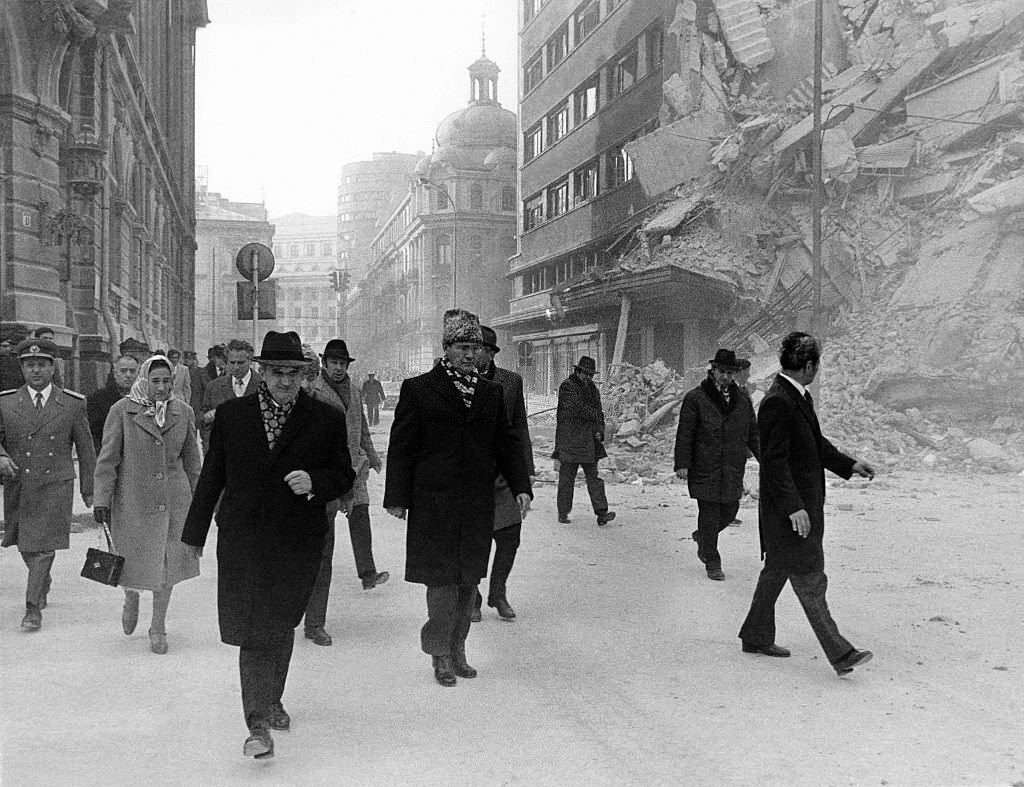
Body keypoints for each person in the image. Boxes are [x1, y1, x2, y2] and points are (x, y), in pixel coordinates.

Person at [182, 330, 354, 760]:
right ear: (262, 371)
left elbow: (344, 474)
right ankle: (257, 722)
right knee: (252, 630)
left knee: (280, 625)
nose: (283, 380)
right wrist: (193, 536)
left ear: (303, 374)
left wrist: (317, 481)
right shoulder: (233, 416)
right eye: (276, 371)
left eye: (292, 373)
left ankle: (272, 699)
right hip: (244, 539)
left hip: (298, 540)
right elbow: (212, 478)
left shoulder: (324, 419)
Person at [384, 309, 532, 687]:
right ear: (446, 349)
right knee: (441, 580)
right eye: (463, 347)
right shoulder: (419, 389)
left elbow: (507, 444)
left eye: (476, 348)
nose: (470, 355)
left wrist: (521, 487)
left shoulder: (491, 393)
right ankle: (440, 652)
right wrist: (396, 496)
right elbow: (402, 446)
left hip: (475, 503)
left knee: (468, 580)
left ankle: (459, 647)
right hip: (433, 502)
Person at [738, 331, 876, 676]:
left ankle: (755, 634)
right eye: (818, 365)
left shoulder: (796, 396)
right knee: (810, 578)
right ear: (810, 365)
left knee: (777, 571)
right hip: (790, 512)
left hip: (797, 507)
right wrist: (793, 507)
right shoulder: (777, 401)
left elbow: (815, 443)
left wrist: (849, 464)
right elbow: (774, 462)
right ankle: (840, 652)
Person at [93, 355, 202, 654]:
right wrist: (102, 498)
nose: (161, 387)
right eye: (155, 381)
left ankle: (158, 627)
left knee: (166, 567)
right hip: (133, 500)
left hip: (173, 501)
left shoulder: (183, 412)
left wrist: (202, 505)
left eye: (167, 381)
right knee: (134, 561)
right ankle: (131, 595)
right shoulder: (122, 411)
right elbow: (108, 459)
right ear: (145, 380)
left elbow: (193, 462)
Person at [0, 339, 96, 630]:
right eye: (30, 365)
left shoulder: (71, 403)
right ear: (22, 369)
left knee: (41, 548)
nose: (36, 370)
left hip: (56, 482)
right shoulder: (5, 402)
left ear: (53, 367)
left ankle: (32, 609)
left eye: (42, 364)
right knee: (26, 546)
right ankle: (42, 578)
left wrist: (90, 488)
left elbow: (86, 447)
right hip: (20, 482)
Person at [301, 339, 388, 646]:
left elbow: (361, 426)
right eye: (334, 363)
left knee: (358, 516)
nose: (338, 368)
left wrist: (372, 456)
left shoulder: (353, 390)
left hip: (352, 468)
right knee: (316, 554)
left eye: (343, 363)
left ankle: (365, 573)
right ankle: (302, 618)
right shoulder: (311, 391)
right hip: (321, 478)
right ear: (325, 363)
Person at [674, 349, 760, 581]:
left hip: (732, 465)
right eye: (721, 371)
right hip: (705, 464)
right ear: (712, 370)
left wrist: (765, 459)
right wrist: (682, 463)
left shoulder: (742, 399)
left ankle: (703, 537)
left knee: (731, 509)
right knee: (710, 513)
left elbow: (753, 432)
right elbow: (685, 433)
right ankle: (712, 560)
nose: (725, 376)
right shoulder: (696, 397)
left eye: (730, 373)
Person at [471, 325, 534, 622]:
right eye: (473, 348)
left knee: (510, 538)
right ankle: (472, 596)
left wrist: (527, 473)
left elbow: (520, 427)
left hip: (505, 474)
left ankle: (498, 591)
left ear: (492, 353)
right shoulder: (458, 383)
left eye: (483, 349)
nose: (477, 354)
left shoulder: (511, 382)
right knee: (474, 540)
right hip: (471, 476)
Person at [553, 356, 615, 526]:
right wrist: (595, 417)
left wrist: (600, 431)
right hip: (570, 440)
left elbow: (599, 413)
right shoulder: (567, 387)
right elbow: (576, 408)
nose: (588, 377)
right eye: (586, 373)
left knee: (594, 478)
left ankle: (602, 513)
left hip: (589, 441)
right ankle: (563, 513)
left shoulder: (593, 389)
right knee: (567, 480)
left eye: (591, 374)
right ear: (578, 372)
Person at [200, 340, 258, 454]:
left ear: (250, 361)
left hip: (254, 455)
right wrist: (206, 418)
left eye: (241, 363)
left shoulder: (263, 386)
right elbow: (202, 419)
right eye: (232, 362)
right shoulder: (214, 387)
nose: (236, 367)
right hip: (222, 455)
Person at [86, 355, 140, 454]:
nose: (128, 375)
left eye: (132, 371)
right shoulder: (98, 400)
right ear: (115, 374)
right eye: (123, 371)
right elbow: (92, 434)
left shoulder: (145, 401)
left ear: (138, 374)